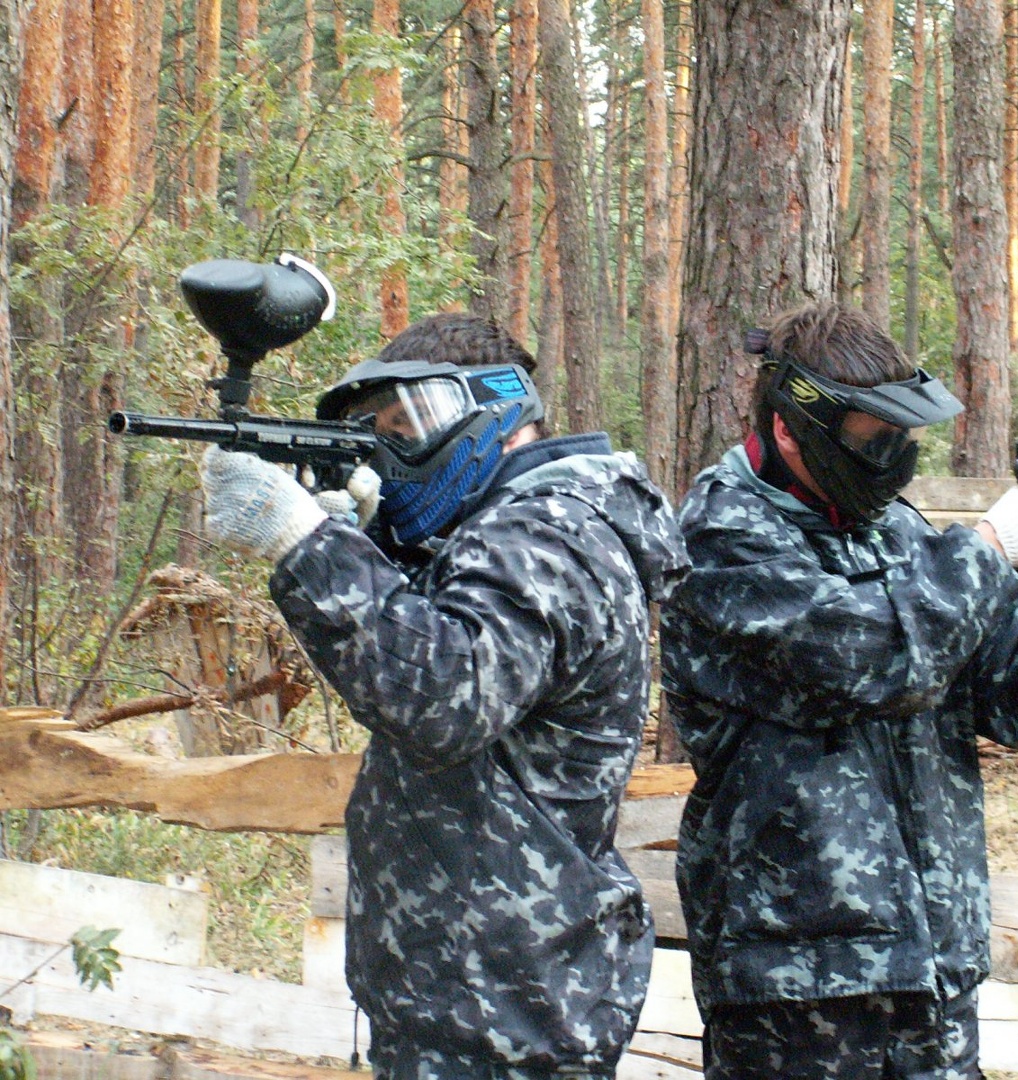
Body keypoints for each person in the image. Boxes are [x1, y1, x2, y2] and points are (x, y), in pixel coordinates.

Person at [659, 301, 1018, 1080]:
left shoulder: (897, 532)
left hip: (935, 977)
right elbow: (873, 657)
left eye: (901, 434)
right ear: (791, 429)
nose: (892, 455)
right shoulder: (720, 538)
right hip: (796, 995)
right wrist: (990, 549)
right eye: (871, 436)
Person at [197, 312, 690, 1080]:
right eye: (379, 432)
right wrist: (367, 545)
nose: (395, 450)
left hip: (511, 1003)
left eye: (410, 423)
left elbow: (444, 695)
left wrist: (305, 542)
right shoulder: (506, 531)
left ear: (493, 411)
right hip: (476, 989)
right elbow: (440, 639)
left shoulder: (551, 532)